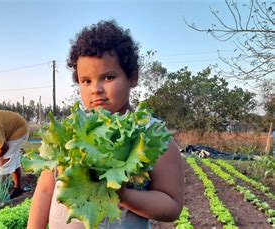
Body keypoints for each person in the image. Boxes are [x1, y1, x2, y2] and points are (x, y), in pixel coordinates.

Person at [27, 19, 184, 228]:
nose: (96, 89)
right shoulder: (69, 132)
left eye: (108, 77)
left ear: (132, 78)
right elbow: (46, 190)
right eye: (86, 81)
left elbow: (171, 205)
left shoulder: (151, 134)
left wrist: (123, 194)